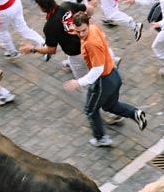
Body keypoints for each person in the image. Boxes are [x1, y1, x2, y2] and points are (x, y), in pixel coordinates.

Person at [63, 11, 147, 147]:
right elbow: (103, 37)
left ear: (88, 25)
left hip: (103, 81)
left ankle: (100, 138)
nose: (81, 34)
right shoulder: (94, 29)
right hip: (113, 75)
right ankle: (135, 113)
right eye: (78, 31)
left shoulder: (90, 43)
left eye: (83, 30)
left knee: (90, 110)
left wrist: (78, 82)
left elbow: (97, 70)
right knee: (109, 106)